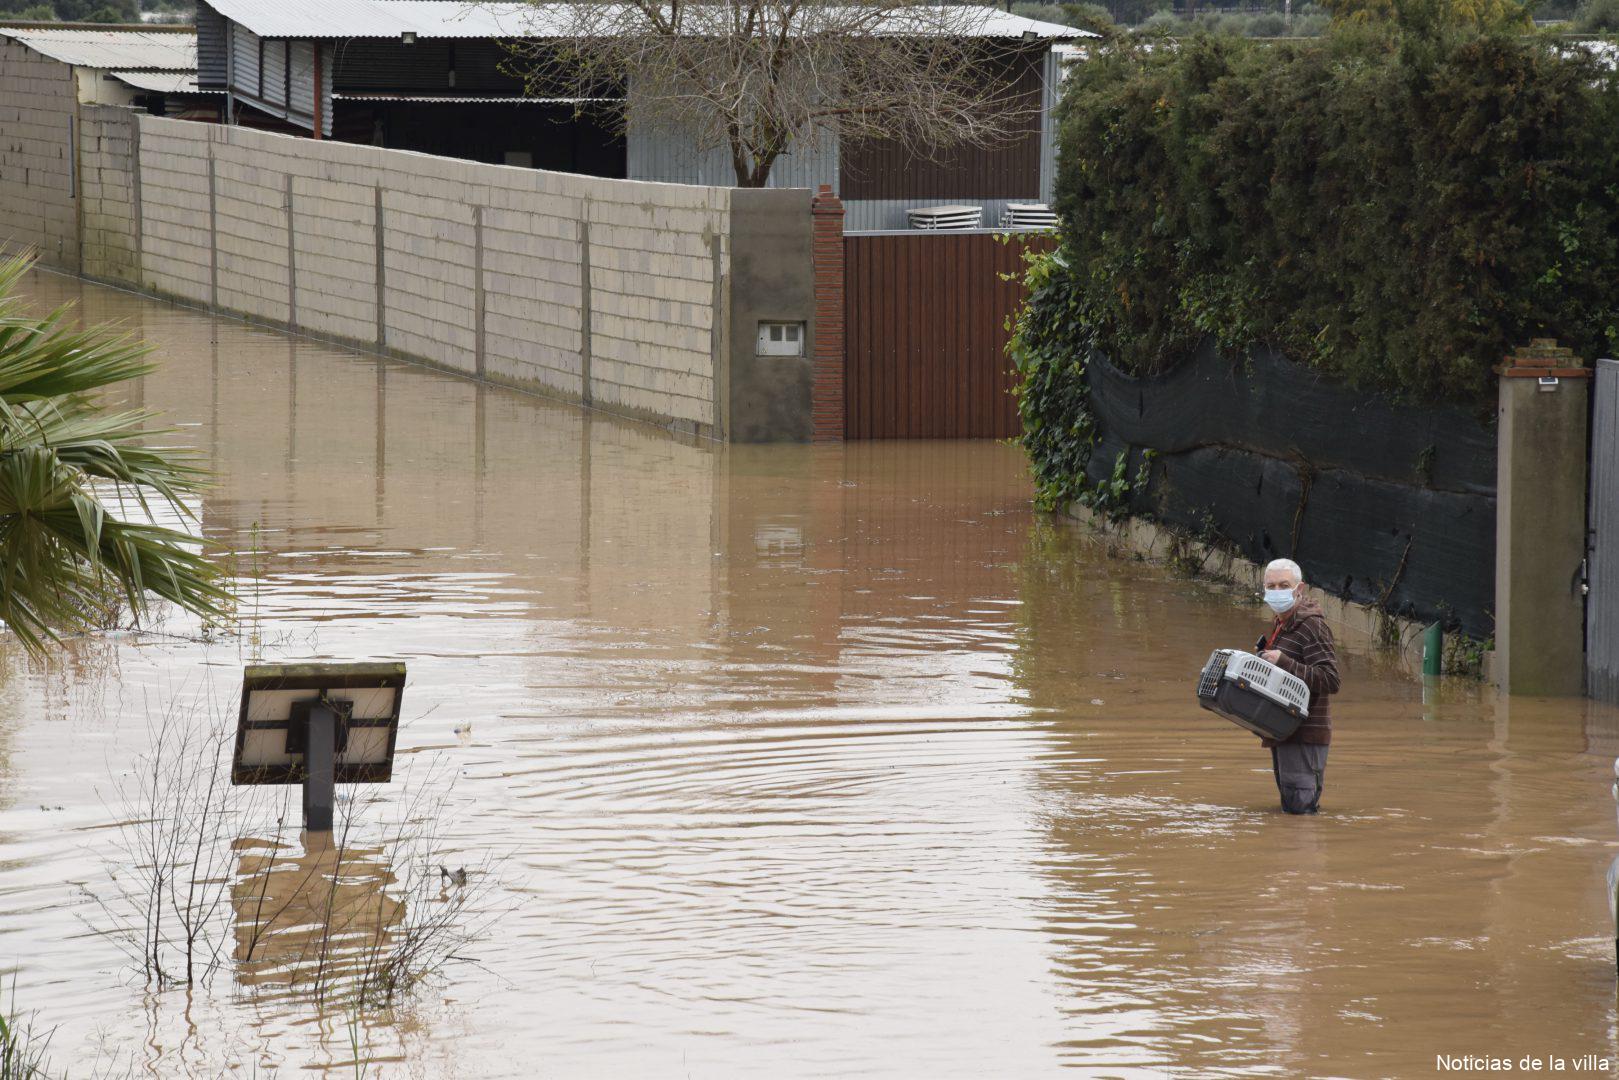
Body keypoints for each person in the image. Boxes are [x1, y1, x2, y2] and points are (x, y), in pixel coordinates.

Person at [1256, 558, 1340, 814]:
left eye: (1284, 585)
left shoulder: (1312, 626)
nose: (1277, 591)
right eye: (1271, 586)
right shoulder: (1283, 623)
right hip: (1284, 731)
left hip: (1306, 734)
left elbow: (1330, 679)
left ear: (1299, 588)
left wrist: (1284, 661)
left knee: (1301, 814)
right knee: (1291, 813)